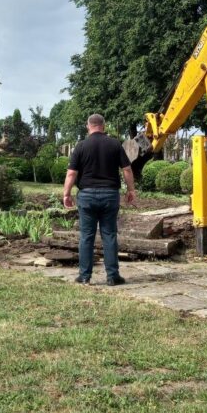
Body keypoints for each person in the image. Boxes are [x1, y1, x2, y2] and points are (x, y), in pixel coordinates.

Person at [62, 113, 136, 286]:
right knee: (109, 235)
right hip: (110, 195)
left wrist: (66, 194)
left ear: (88, 126)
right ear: (104, 126)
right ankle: (112, 276)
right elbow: (127, 169)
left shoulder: (80, 146)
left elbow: (72, 173)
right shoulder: (115, 144)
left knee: (86, 236)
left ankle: (84, 276)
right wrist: (131, 190)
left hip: (86, 196)